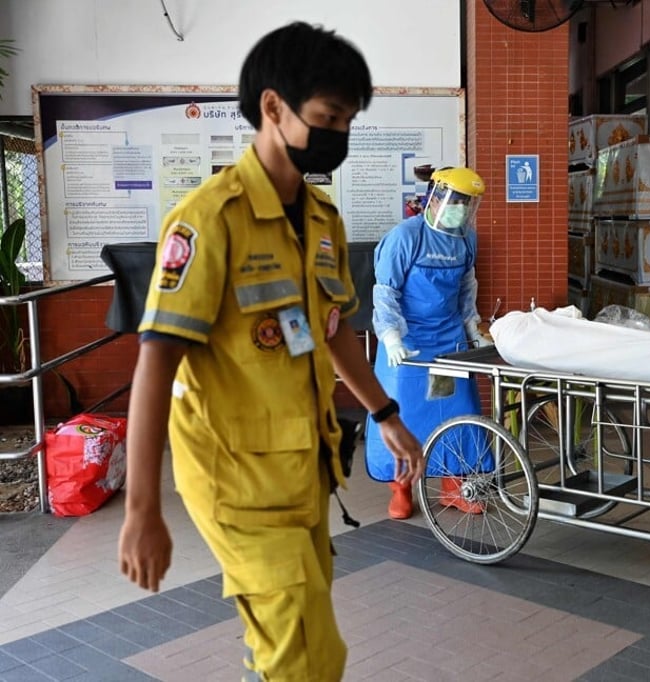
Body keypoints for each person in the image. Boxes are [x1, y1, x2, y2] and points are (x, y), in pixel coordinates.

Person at [116, 22, 424, 681]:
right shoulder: (209, 220)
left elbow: (334, 327)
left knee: (299, 647)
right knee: (303, 659)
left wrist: (386, 414)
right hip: (234, 479)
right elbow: (156, 362)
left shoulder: (322, 220)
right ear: (274, 107)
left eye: (348, 120)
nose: (338, 133)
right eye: (327, 117)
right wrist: (142, 511)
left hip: (301, 467)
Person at [366, 166, 491, 519]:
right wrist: (390, 337)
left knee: (456, 413)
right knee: (403, 415)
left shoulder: (466, 238)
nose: (461, 210)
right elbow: (385, 292)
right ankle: (401, 490)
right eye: (456, 202)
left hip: (448, 342)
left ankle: (454, 488)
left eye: (468, 204)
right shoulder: (405, 237)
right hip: (408, 345)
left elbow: (467, 289)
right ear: (435, 198)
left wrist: (472, 328)